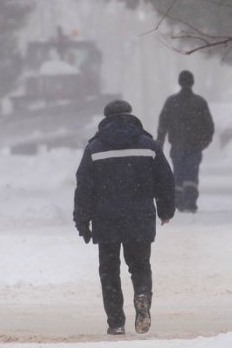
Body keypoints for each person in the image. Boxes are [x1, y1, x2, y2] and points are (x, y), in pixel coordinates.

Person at [73, 99, 175, 336]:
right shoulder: (148, 145)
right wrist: (166, 210)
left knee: (109, 270)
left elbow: (84, 187)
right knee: (139, 266)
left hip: (106, 218)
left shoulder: (95, 149)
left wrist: (82, 220)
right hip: (140, 216)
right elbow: (165, 179)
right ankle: (142, 293)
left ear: (105, 119)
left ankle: (116, 322)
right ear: (130, 115)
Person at [156, 70, 214, 213]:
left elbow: (163, 123)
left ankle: (178, 201)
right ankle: (190, 202)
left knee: (178, 174)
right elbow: (209, 125)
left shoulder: (171, 102)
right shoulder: (199, 102)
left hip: (177, 145)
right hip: (195, 146)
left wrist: (160, 141)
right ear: (192, 82)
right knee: (191, 174)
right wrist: (206, 140)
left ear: (180, 82)